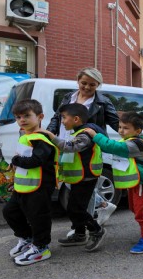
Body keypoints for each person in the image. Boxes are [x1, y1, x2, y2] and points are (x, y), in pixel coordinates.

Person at [46, 67, 119, 228]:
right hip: (65, 143)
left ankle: (81, 227)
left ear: (98, 84)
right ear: (78, 80)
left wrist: (135, 133)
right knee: (72, 183)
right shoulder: (68, 97)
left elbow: (116, 122)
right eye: (83, 83)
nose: (86, 87)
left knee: (84, 185)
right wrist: (48, 134)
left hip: (86, 147)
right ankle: (102, 207)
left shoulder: (103, 101)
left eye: (92, 84)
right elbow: (57, 118)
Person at [85, 112, 143, 254]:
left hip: (141, 183)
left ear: (137, 131)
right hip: (134, 183)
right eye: (120, 127)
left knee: (140, 212)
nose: (121, 130)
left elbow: (111, 146)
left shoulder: (135, 143)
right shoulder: (131, 139)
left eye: (125, 128)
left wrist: (95, 135)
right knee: (135, 208)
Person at [2, 99, 58, 266]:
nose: (22, 120)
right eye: (18, 117)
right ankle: (27, 238)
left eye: (27, 116)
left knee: (38, 217)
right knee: (10, 212)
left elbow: (36, 160)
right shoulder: (26, 137)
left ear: (40, 116)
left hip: (39, 187)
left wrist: (16, 160)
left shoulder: (40, 139)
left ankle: (41, 247)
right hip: (23, 186)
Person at [46, 103, 107, 252]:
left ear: (76, 119)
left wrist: (52, 137)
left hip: (86, 178)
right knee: (75, 207)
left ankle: (96, 230)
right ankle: (80, 234)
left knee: (76, 209)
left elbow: (72, 147)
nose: (62, 121)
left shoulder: (85, 134)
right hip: (79, 178)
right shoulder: (77, 132)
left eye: (64, 118)